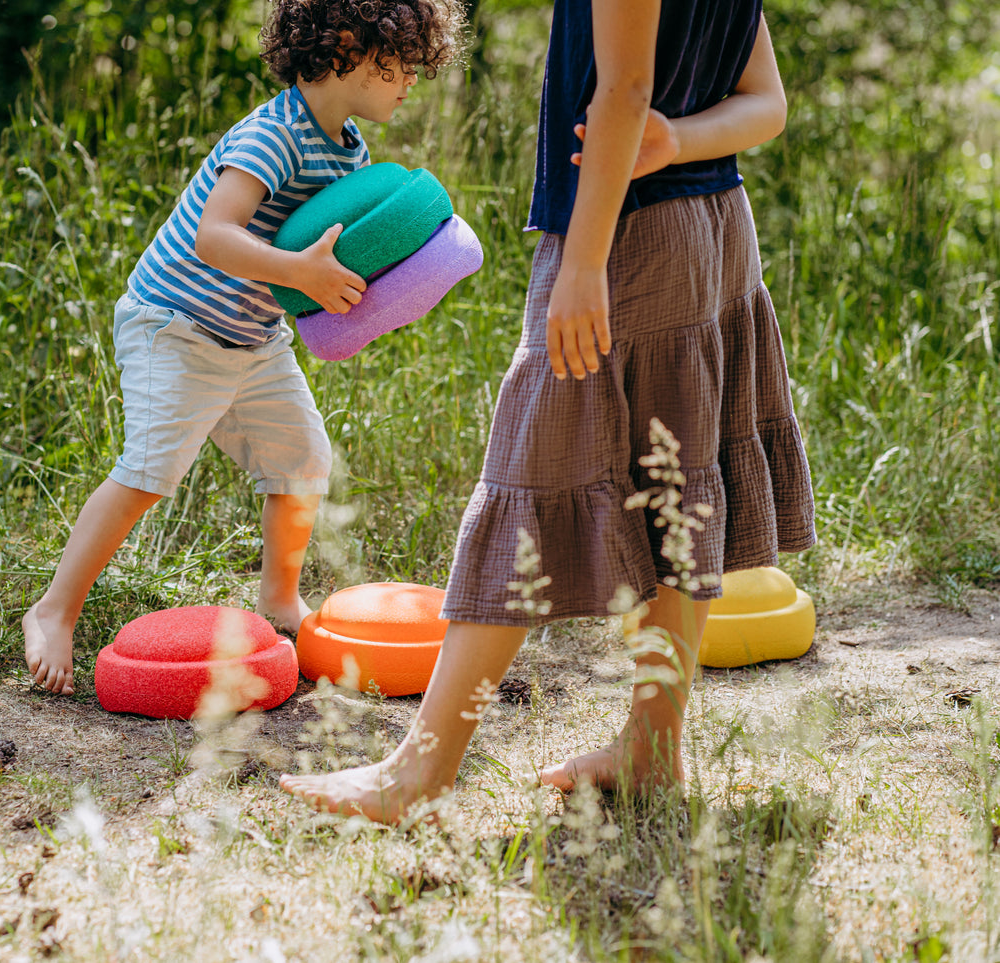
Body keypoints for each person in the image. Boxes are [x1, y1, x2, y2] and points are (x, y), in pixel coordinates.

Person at [281, 0, 815, 820]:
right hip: (710, 228)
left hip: (626, 236)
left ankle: (416, 774)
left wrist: (584, 260)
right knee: (672, 484)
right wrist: (681, 141)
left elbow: (625, 91)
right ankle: (651, 747)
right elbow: (766, 103)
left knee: (531, 475)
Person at [23, 0, 467, 694]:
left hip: (253, 336)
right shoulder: (273, 133)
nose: (413, 77)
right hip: (174, 322)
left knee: (301, 458)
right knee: (149, 471)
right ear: (349, 46)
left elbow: (333, 253)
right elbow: (215, 236)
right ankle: (54, 609)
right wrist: (300, 274)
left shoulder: (349, 148)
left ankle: (280, 600)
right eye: (402, 60)